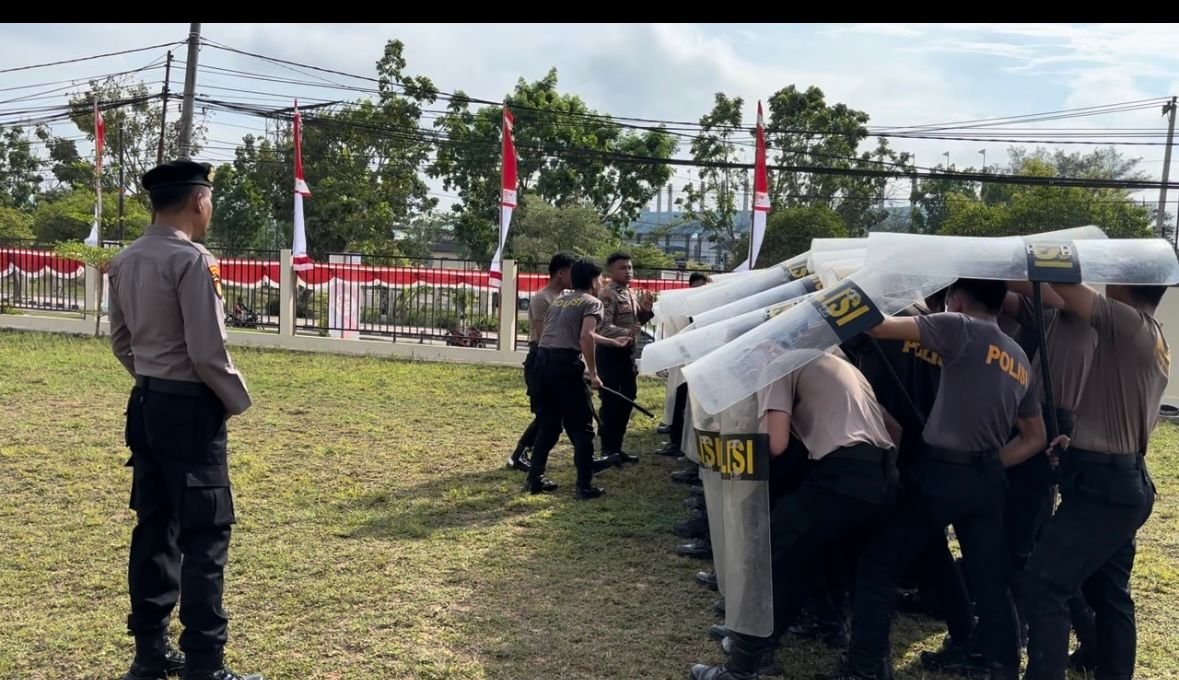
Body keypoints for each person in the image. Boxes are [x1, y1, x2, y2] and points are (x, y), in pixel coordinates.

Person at [834, 278, 1048, 680]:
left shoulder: (959, 326)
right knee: (990, 581)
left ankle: (866, 667)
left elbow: (877, 327)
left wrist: (839, 290)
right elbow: (1034, 437)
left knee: (879, 563)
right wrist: (989, 465)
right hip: (987, 481)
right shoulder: (1017, 355)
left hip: (939, 474)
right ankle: (998, 667)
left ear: (959, 300)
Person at [108, 160, 262, 680]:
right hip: (191, 409)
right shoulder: (193, 260)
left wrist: (152, 376)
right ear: (198, 201)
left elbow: (121, 342)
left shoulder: (126, 260)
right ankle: (204, 663)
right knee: (206, 534)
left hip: (146, 403)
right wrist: (236, 401)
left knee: (154, 527)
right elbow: (206, 350)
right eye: (210, 198)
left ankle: (150, 654)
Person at [691, 349, 901, 680]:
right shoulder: (837, 362)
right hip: (884, 473)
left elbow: (775, 443)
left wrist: (730, 444)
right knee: (864, 573)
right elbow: (893, 428)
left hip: (841, 475)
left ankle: (743, 666)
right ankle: (867, 664)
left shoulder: (777, 364)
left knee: (774, 551)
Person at [1021, 282, 1166, 680]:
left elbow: (1062, 284)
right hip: (1121, 479)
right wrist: (1078, 439)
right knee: (1109, 593)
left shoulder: (1127, 322)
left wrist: (1036, 256)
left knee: (1044, 584)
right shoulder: (1152, 335)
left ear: (1124, 285)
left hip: (1104, 487)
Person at [525, 258, 630, 499]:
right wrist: (593, 374)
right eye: (601, 278)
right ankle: (584, 486)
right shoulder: (592, 302)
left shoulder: (560, 301)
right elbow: (586, 336)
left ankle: (534, 478)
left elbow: (578, 334)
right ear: (594, 280)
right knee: (582, 428)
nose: (602, 282)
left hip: (542, 362)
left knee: (549, 424)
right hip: (565, 364)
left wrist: (612, 342)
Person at [508, 252, 574, 472]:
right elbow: (543, 335)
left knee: (553, 414)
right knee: (546, 414)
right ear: (561, 273)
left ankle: (523, 455)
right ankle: (519, 455)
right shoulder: (542, 298)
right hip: (541, 358)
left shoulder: (565, 299)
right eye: (572, 272)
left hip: (555, 358)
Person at [596, 252, 654, 463]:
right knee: (611, 402)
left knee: (628, 398)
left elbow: (637, 320)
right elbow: (603, 327)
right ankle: (607, 448)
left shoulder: (629, 293)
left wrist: (646, 311)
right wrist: (627, 332)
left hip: (626, 355)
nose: (628, 271)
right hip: (610, 353)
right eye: (622, 268)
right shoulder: (607, 295)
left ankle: (617, 447)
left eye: (630, 267)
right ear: (610, 271)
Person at [656, 271, 712, 459]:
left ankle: (683, 446)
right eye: (695, 288)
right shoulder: (685, 309)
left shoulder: (712, 308)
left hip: (703, 365)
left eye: (702, 288)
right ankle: (677, 442)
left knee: (689, 406)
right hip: (686, 364)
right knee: (680, 401)